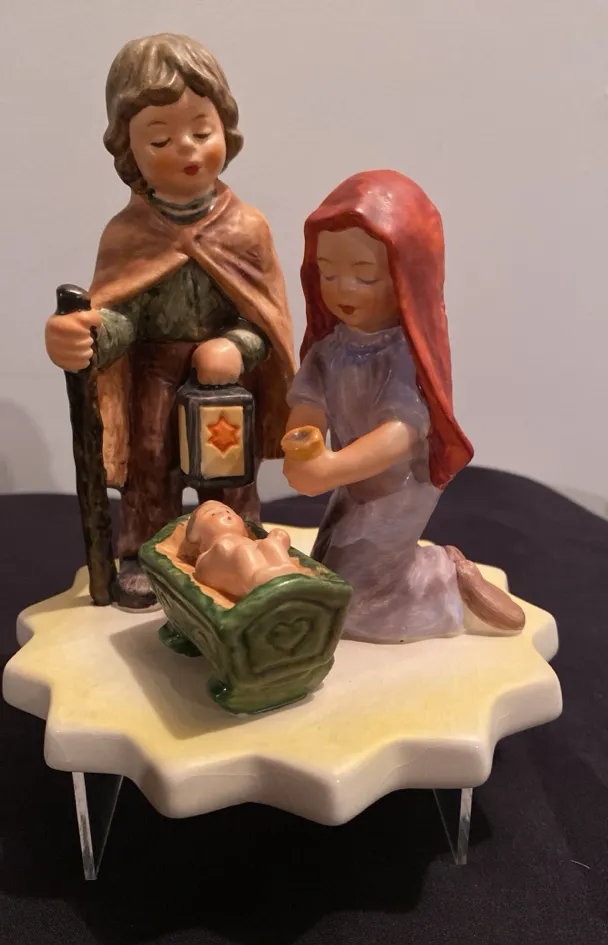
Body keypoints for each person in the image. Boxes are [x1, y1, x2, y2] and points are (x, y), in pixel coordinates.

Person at [44, 34, 294, 609]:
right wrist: (86, 336)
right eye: (160, 139)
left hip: (224, 380)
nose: (185, 148)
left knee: (227, 467)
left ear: (225, 130)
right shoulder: (128, 234)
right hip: (154, 374)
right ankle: (146, 551)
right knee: (152, 460)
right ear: (128, 149)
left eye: (201, 131)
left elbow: (266, 320)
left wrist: (237, 345)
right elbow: (122, 314)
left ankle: (236, 548)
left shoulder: (247, 228)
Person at [282, 170, 525, 643]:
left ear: (407, 277)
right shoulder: (328, 350)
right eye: (328, 273)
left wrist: (331, 468)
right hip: (353, 484)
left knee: (353, 609)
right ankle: (411, 570)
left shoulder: (403, 355)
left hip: (400, 487)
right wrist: (301, 449)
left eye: (364, 275)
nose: (343, 289)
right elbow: (308, 405)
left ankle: (443, 580)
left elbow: (400, 432)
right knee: (325, 575)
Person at [179, 501, 300, 599]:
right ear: (197, 536)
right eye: (213, 514)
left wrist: (277, 540)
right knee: (244, 550)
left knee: (269, 543)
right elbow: (207, 566)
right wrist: (219, 552)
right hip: (228, 572)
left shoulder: (251, 543)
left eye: (228, 511)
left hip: (253, 564)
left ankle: (287, 569)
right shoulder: (209, 554)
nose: (226, 514)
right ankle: (256, 580)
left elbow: (261, 548)